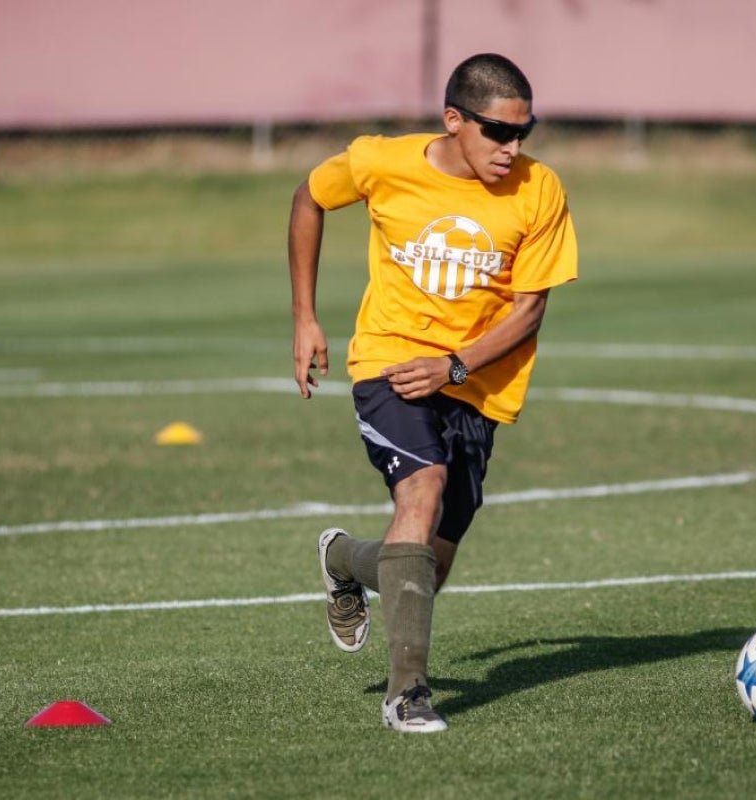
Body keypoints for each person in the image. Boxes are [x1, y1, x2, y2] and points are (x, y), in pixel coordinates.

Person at [288, 53, 578, 733]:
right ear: (454, 119)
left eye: (524, 133)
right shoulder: (381, 162)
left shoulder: (540, 191)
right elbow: (309, 196)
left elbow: (529, 310)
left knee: (423, 569)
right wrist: (305, 317)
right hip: (388, 363)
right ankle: (407, 695)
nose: (512, 149)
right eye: (498, 133)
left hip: (476, 385)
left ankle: (341, 559)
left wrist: (455, 365)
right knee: (423, 488)